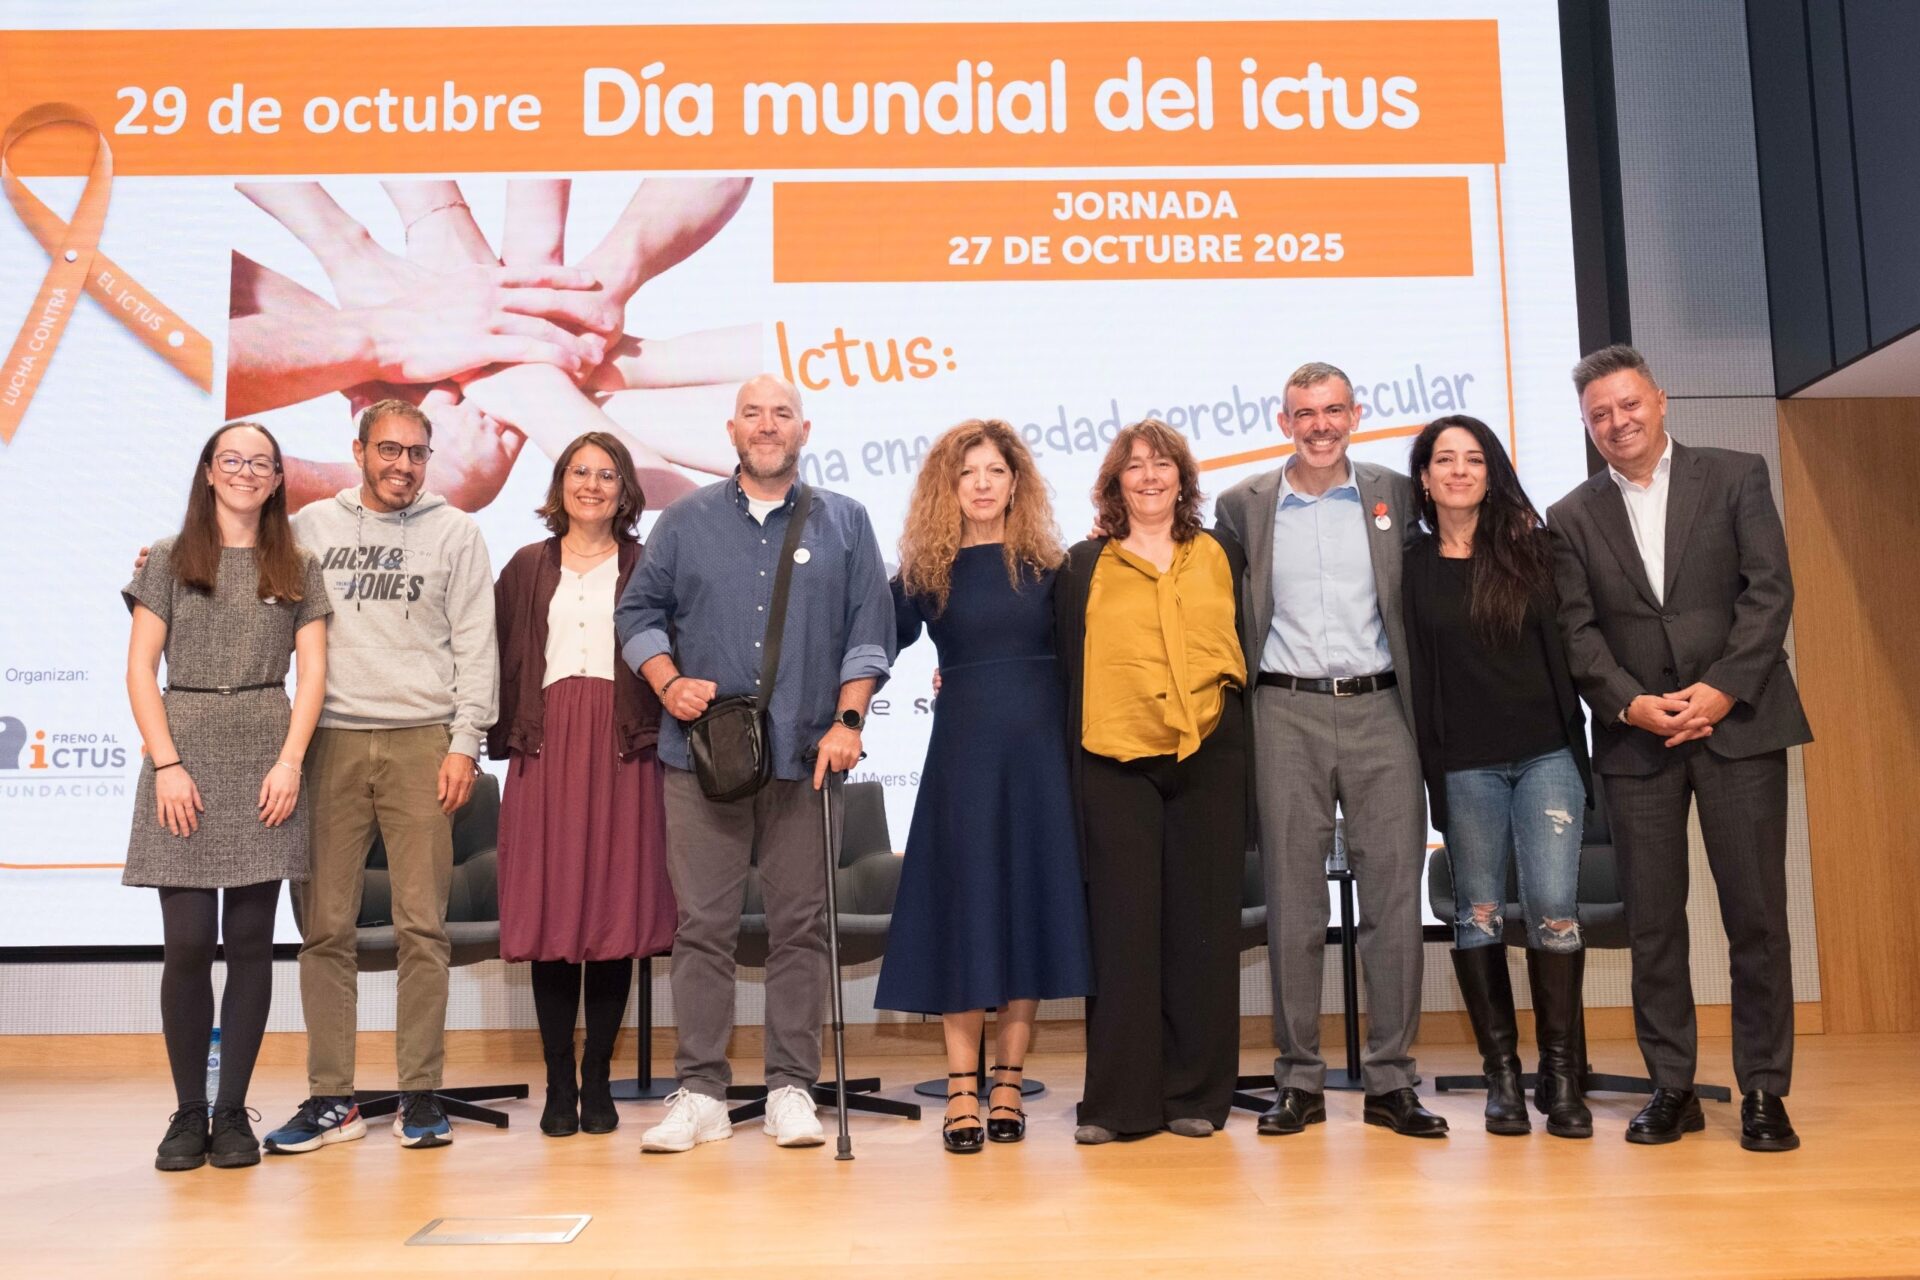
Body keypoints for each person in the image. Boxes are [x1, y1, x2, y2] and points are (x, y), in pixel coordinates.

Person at [614, 373, 895, 1154]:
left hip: (808, 761)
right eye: (752, 414)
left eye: (782, 414)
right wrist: (666, 681)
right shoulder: (684, 520)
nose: (767, 425)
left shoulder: (846, 521)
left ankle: (790, 1089)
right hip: (703, 761)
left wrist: (849, 720)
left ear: (804, 430)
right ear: (731, 431)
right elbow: (636, 613)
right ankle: (701, 1094)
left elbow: (869, 631)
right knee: (702, 929)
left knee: (799, 930)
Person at [1548, 344, 1811, 1151]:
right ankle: (1673, 1087)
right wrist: (1630, 704)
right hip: (1638, 742)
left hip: (1740, 725)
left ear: (1660, 401)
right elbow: (1576, 632)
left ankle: (1763, 1089)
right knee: (1654, 924)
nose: (1617, 422)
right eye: (1599, 414)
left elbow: (1769, 591)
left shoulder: (1735, 475)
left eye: (1629, 404)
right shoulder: (1569, 515)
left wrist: (1722, 688)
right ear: (1586, 425)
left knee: (1757, 918)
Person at [260, 398, 499, 1154]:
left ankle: (420, 1094)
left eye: (417, 453)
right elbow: (246, 588)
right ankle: (332, 1099)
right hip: (327, 741)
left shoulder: (457, 532)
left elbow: (477, 644)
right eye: (389, 450)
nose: (403, 465)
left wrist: (465, 743)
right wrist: (164, 565)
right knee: (325, 929)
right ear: (359, 450)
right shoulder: (310, 528)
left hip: (423, 742)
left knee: (422, 928)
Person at [1214, 361, 1446, 1139]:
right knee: (1293, 905)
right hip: (1284, 711)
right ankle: (1298, 1080)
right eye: (1305, 413)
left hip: (1384, 712)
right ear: (1284, 423)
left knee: (1394, 904)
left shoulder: (1396, 493)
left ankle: (1392, 1081)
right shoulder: (1243, 504)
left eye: (1333, 410)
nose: (1320, 425)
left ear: (1355, 414)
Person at [877, 419, 1094, 1154]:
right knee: (966, 912)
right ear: (948, 485)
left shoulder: (1054, 567)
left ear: (1015, 482)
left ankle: (1009, 1082)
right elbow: (870, 643)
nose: (980, 483)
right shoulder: (925, 572)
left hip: (1039, 761)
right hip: (963, 762)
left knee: (1026, 910)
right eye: (966, 471)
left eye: (994, 470)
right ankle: (961, 1089)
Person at [124, 422, 330, 1172]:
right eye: (232, 460)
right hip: (182, 753)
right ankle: (188, 1111)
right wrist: (168, 764)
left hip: (266, 754)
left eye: (261, 463)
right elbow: (140, 670)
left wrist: (290, 763)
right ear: (209, 471)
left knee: (249, 944)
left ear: (277, 480)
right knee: (186, 943)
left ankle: (232, 1110)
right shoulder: (168, 558)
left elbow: (313, 674)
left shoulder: (298, 564)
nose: (246, 472)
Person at [1058, 420, 1251, 1144]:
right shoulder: (1082, 565)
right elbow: (1060, 663)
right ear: (1115, 483)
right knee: (1122, 934)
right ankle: (1119, 1105)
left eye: (1162, 463)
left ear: (1182, 478)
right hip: (1114, 760)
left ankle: (1195, 1095)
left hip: (1210, 752)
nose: (1149, 476)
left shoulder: (1222, 552)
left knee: (1202, 929)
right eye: (1134, 466)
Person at [1401, 415, 1594, 1139]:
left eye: (1474, 459)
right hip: (1464, 766)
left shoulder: (1536, 551)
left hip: (1546, 756)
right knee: (1477, 912)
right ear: (1424, 478)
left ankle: (1561, 1080)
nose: (1459, 470)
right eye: (1444, 459)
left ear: (1492, 473)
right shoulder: (1410, 568)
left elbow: (1572, 646)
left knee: (1553, 908)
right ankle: (1503, 1078)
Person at [492, 433, 675, 1138]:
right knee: (551, 920)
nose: (592, 485)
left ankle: (597, 1076)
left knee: (611, 919)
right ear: (560, 482)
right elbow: (495, 654)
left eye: (606, 474)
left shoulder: (649, 564)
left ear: (625, 489)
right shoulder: (524, 565)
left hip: (624, 747)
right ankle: (558, 1082)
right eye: (579, 472)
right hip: (545, 747)